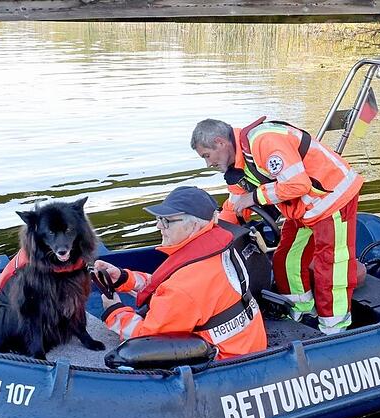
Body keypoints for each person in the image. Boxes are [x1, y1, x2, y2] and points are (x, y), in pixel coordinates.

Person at [191, 117, 364, 334]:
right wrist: (210, 237)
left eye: (207, 156)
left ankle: (335, 329)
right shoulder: (238, 163)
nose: (208, 164)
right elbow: (235, 205)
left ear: (220, 142)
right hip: (303, 209)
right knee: (286, 260)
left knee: (331, 266)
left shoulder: (264, 141)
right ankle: (301, 312)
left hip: (332, 199)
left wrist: (255, 196)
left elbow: (298, 184)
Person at [95, 186, 267, 360]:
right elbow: (167, 286)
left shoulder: (183, 287)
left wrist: (114, 311)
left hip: (226, 361)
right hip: (250, 343)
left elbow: (146, 337)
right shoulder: (221, 249)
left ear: (193, 225)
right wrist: (126, 278)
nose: (158, 226)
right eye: (159, 219)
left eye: (166, 221)